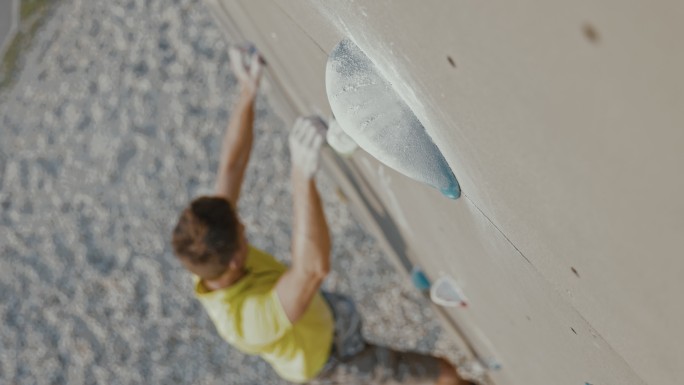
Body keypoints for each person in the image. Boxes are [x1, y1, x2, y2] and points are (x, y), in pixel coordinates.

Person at [171, 45, 475, 385]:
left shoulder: (204, 247)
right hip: (332, 363)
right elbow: (313, 270)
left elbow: (231, 167)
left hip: (320, 316)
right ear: (233, 261)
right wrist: (302, 175)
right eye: (242, 232)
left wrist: (247, 90)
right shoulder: (248, 324)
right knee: (443, 374)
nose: (243, 225)